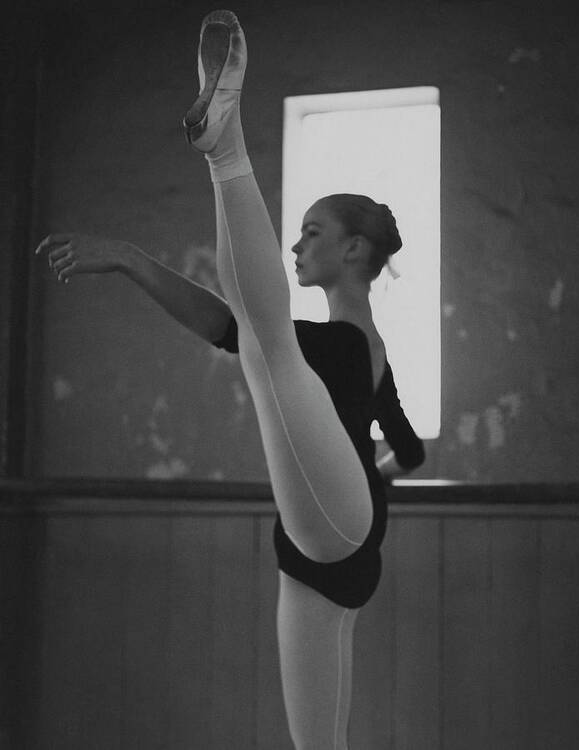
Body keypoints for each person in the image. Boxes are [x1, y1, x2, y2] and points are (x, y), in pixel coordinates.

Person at [36, 10, 424, 748]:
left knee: (265, 346)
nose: (300, 243)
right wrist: (366, 474)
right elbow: (409, 452)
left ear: (356, 250)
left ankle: (226, 150)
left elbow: (237, 329)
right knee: (318, 745)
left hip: (333, 528)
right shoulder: (371, 354)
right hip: (326, 555)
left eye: (313, 232)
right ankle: (222, 148)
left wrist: (129, 257)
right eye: (301, 230)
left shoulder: (337, 342)